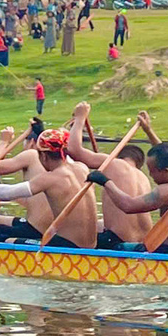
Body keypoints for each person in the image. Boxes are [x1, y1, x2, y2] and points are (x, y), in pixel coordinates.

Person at [0, 127, 96, 246]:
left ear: (43, 156)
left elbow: (8, 193)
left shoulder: (51, 177)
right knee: (0, 222)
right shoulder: (82, 168)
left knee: (8, 241)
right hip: (91, 244)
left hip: (67, 246)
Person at [88, 141, 168, 254]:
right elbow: (165, 152)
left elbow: (128, 205)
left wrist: (105, 182)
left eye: (153, 171)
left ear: (166, 171)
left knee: (118, 247)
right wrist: (147, 129)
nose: (151, 176)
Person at [65, 103, 152, 248]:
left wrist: (80, 118)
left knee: (71, 234)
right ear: (140, 165)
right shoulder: (144, 178)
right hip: (143, 243)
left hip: (116, 242)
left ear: (116, 156)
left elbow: (74, 150)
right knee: (96, 225)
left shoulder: (114, 163)